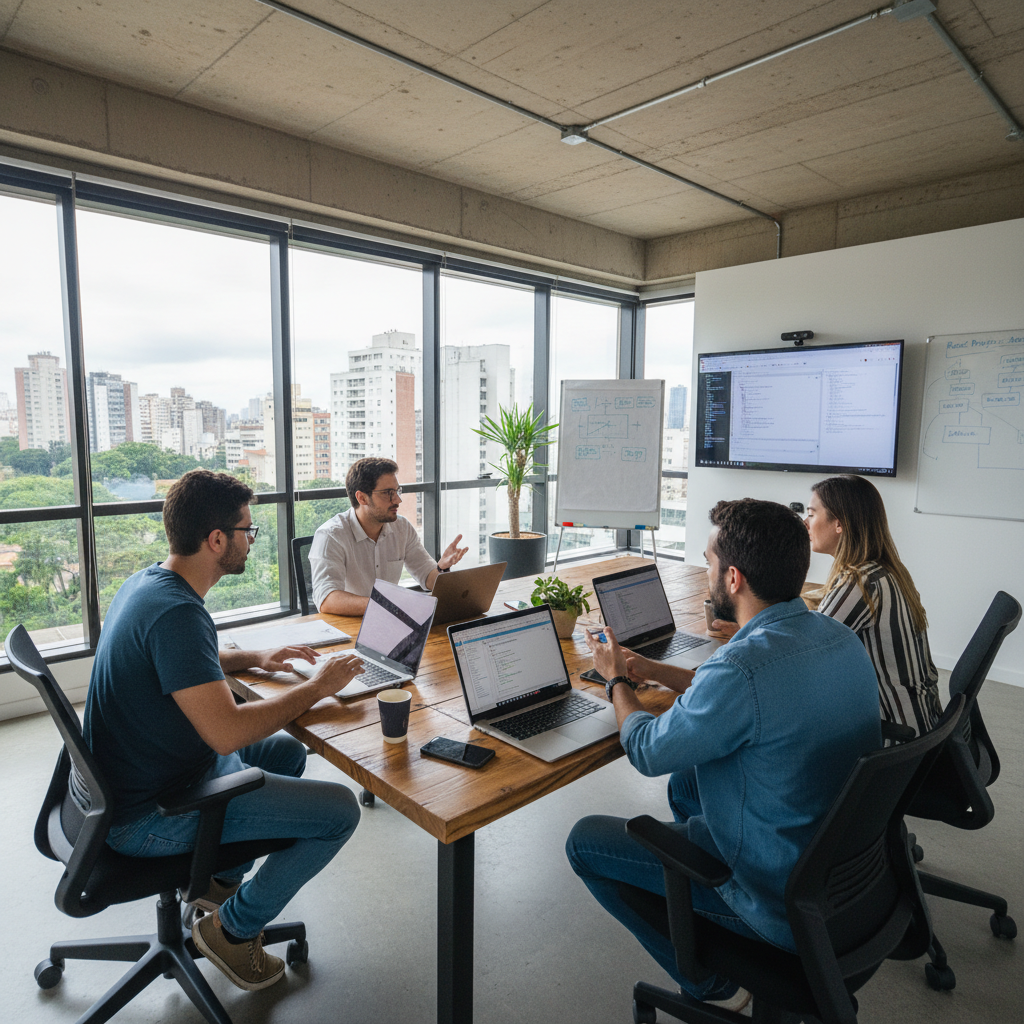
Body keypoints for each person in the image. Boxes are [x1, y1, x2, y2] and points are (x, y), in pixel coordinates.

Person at [565, 499, 880, 1007]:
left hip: (775, 901)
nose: (706, 568)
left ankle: (709, 981)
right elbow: (740, 694)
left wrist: (616, 679)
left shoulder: (740, 669)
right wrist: (652, 669)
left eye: (709, 560)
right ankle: (694, 885)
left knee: (584, 842)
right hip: (845, 877)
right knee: (688, 781)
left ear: (733, 578)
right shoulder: (838, 637)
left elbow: (645, 748)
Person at [84, 469, 366, 992]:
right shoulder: (177, 613)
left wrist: (256, 656)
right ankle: (233, 931)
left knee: (283, 752)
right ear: (217, 540)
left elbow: (184, 657)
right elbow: (227, 734)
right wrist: (319, 685)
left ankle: (216, 884)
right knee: (339, 812)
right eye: (248, 531)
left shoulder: (152, 583)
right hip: (147, 814)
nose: (252, 540)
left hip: (134, 777)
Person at [804, 474, 942, 736]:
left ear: (839, 524)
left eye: (811, 514)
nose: (805, 522)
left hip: (896, 738)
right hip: (923, 720)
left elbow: (805, 656)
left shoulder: (859, 583)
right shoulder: (883, 571)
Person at [310, 456, 468, 615]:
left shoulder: (402, 528)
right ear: (362, 498)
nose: (398, 500)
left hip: (390, 621)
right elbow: (327, 599)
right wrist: (387, 605)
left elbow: (427, 575)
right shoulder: (331, 536)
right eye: (388, 493)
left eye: (397, 491)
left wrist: (441, 569)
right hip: (348, 626)